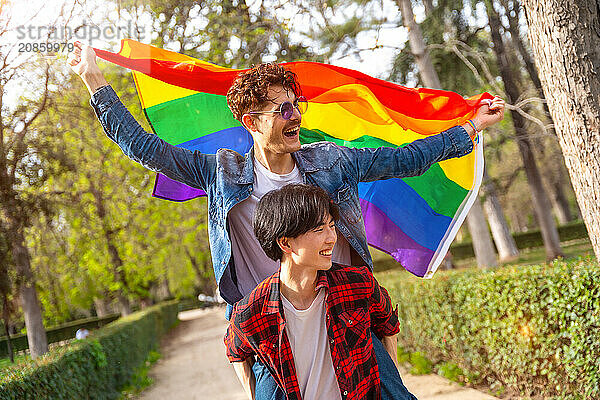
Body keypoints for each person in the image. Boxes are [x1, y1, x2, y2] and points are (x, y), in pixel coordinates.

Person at [68, 41, 505, 399]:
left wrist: (470, 128)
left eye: (296, 106)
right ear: (249, 121)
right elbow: (144, 146)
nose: (295, 115)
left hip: (343, 314)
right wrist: (95, 81)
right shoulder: (220, 172)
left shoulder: (331, 163)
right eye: (281, 109)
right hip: (269, 326)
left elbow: (405, 159)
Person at [226, 184, 401, 400]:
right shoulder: (252, 312)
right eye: (319, 230)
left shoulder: (357, 284)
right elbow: (235, 351)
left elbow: (389, 326)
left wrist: (394, 387)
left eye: (332, 226)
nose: (331, 238)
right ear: (285, 242)